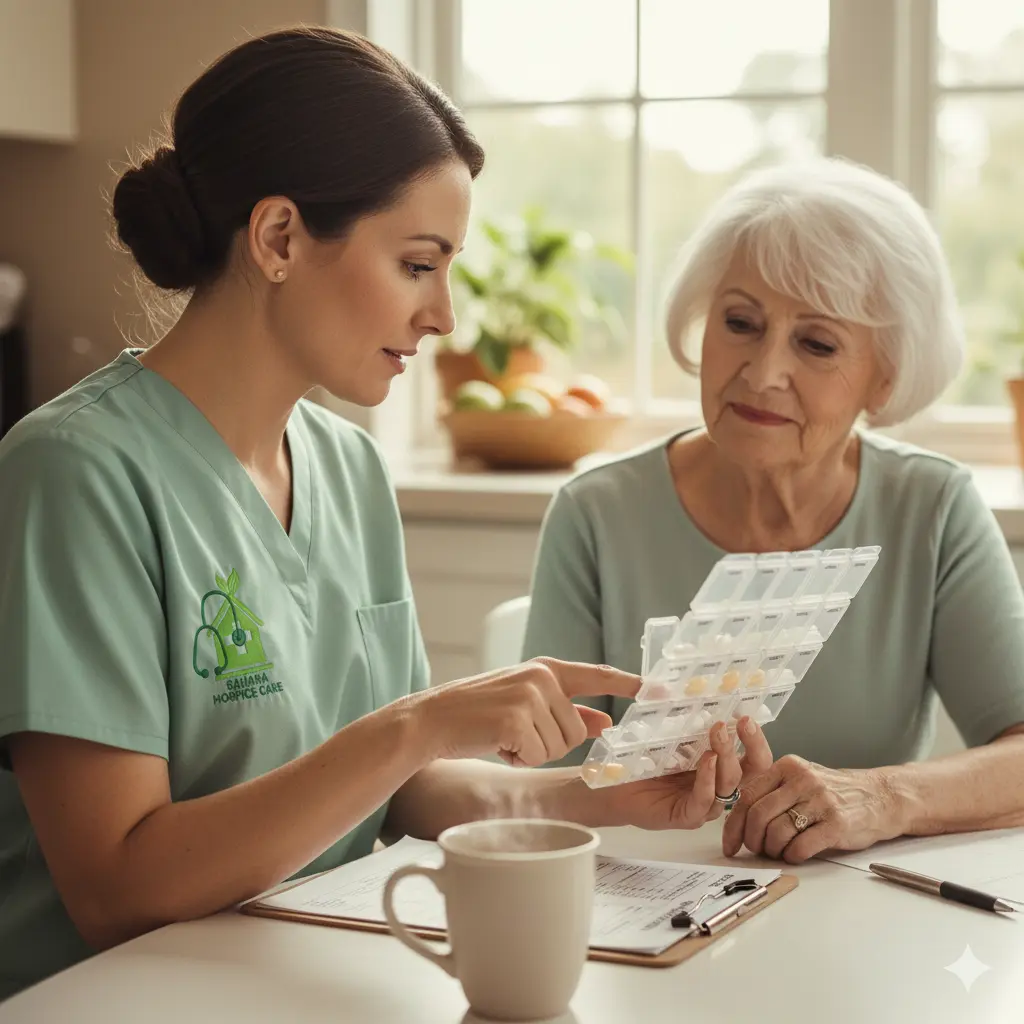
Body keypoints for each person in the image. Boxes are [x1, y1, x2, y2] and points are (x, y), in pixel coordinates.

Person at [0, 28, 773, 1001]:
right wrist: (413, 724)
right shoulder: (74, 472)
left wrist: (606, 792)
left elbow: (398, 794)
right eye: (417, 263)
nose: (445, 315)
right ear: (278, 238)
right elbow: (118, 887)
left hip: (293, 979)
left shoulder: (347, 467)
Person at [524, 157, 1024, 866]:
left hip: (861, 917)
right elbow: (541, 790)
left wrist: (878, 799)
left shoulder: (933, 508)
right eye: (740, 322)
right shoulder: (594, 513)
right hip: (635, 913)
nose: (762, 372)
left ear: (886, 377)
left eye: (816, 343)